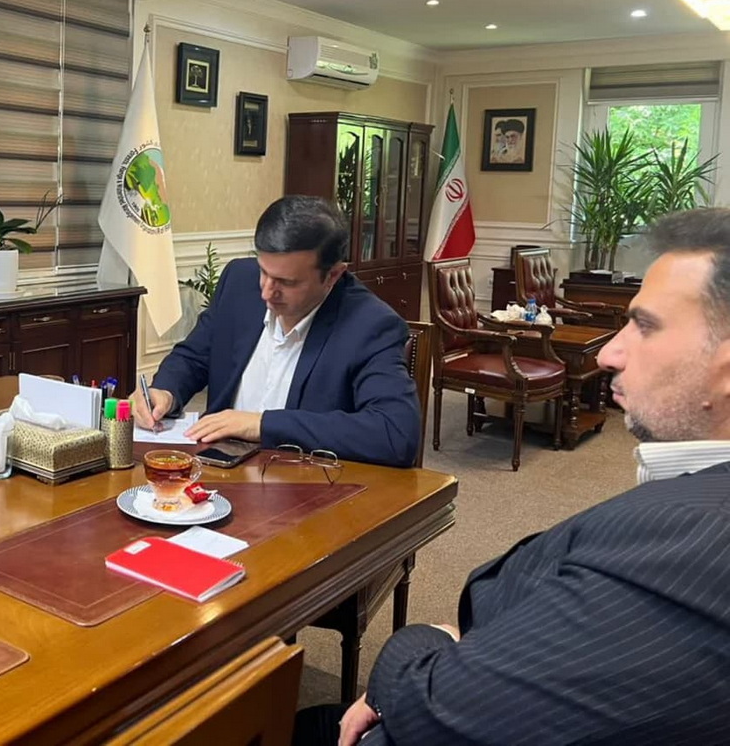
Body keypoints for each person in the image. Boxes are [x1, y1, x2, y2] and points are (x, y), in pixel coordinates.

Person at [295, 206, 730, 746]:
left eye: (644, 325)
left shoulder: (694, 542)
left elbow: (433, 709)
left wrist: (428, 636)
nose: (612, 352)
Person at [131, 196, 420, 467]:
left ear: (332, 275)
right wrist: (165, 391)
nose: (266, 292)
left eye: (287, 282)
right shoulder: (239, 281)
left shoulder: (370, 325)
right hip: (215, 468)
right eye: (263, 271)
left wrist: (261, 425)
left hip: (301, 481)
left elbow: (395, 433)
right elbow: (194, 356)